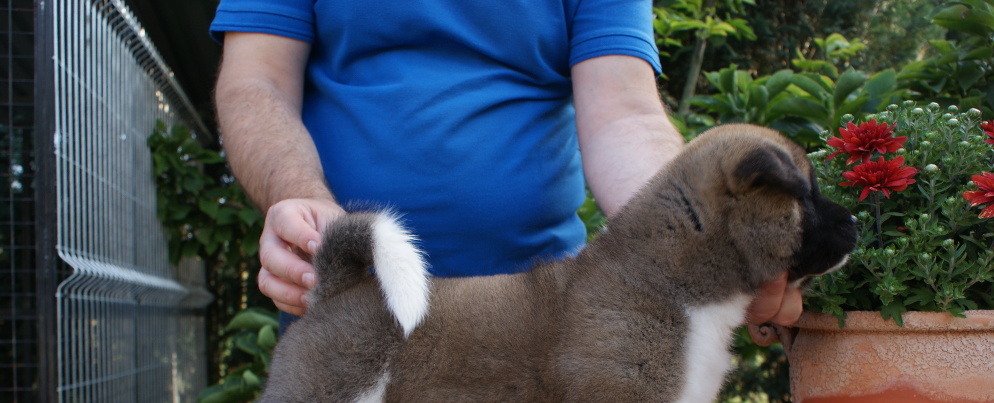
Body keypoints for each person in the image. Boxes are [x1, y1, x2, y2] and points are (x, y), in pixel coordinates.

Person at [209, 1, 800, 340]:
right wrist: (300, 197)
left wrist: (701, 239)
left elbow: (624, 114)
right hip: (346, 331)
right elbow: (256, 83)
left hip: (534, 340)